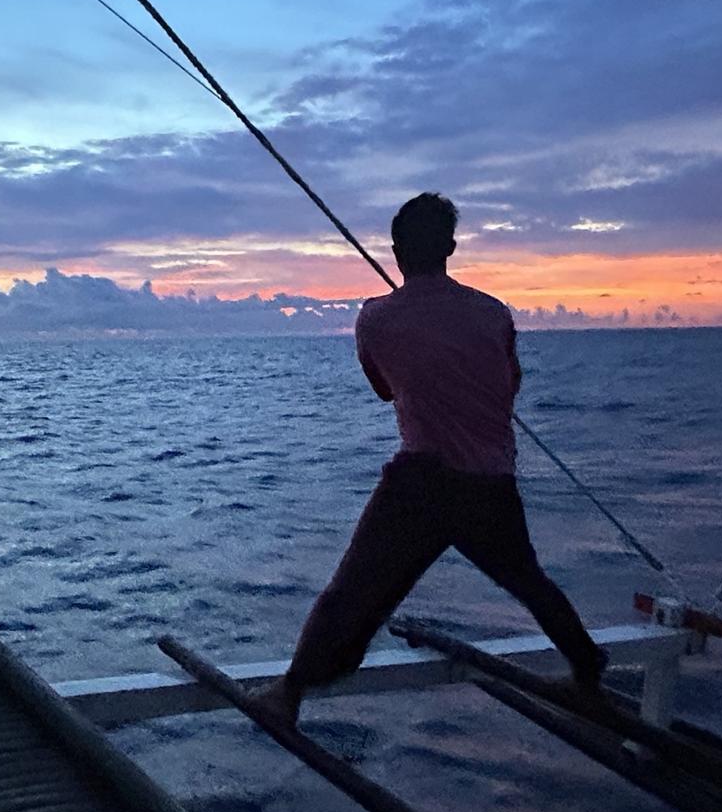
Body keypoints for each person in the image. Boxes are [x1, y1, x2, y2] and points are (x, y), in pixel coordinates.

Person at [256, 192, 602, 725]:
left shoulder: (376, 319)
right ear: (451, 247)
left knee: (351, 591)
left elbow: (383, 389)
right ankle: (586, 666)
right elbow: (511, 383)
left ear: (396, 252)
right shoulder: (494, 314)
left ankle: (292, 690)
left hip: (424, 482)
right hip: (491, 481)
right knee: (529, 580)